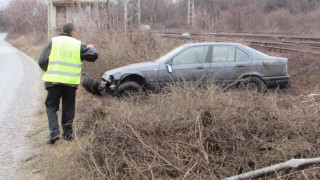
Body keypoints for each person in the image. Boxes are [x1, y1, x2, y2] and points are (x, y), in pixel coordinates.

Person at [39, 23, 99, 144]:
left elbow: (42, 60)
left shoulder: (53, 42)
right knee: (68, 108)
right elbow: (94, 55)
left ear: (61, 31)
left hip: (54, 81)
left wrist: (50, 70)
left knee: (51, 107)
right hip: (70, 83)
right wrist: (90, 47)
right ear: (72, 31)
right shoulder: (78, 44)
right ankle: (67, 134)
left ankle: (54, 133)